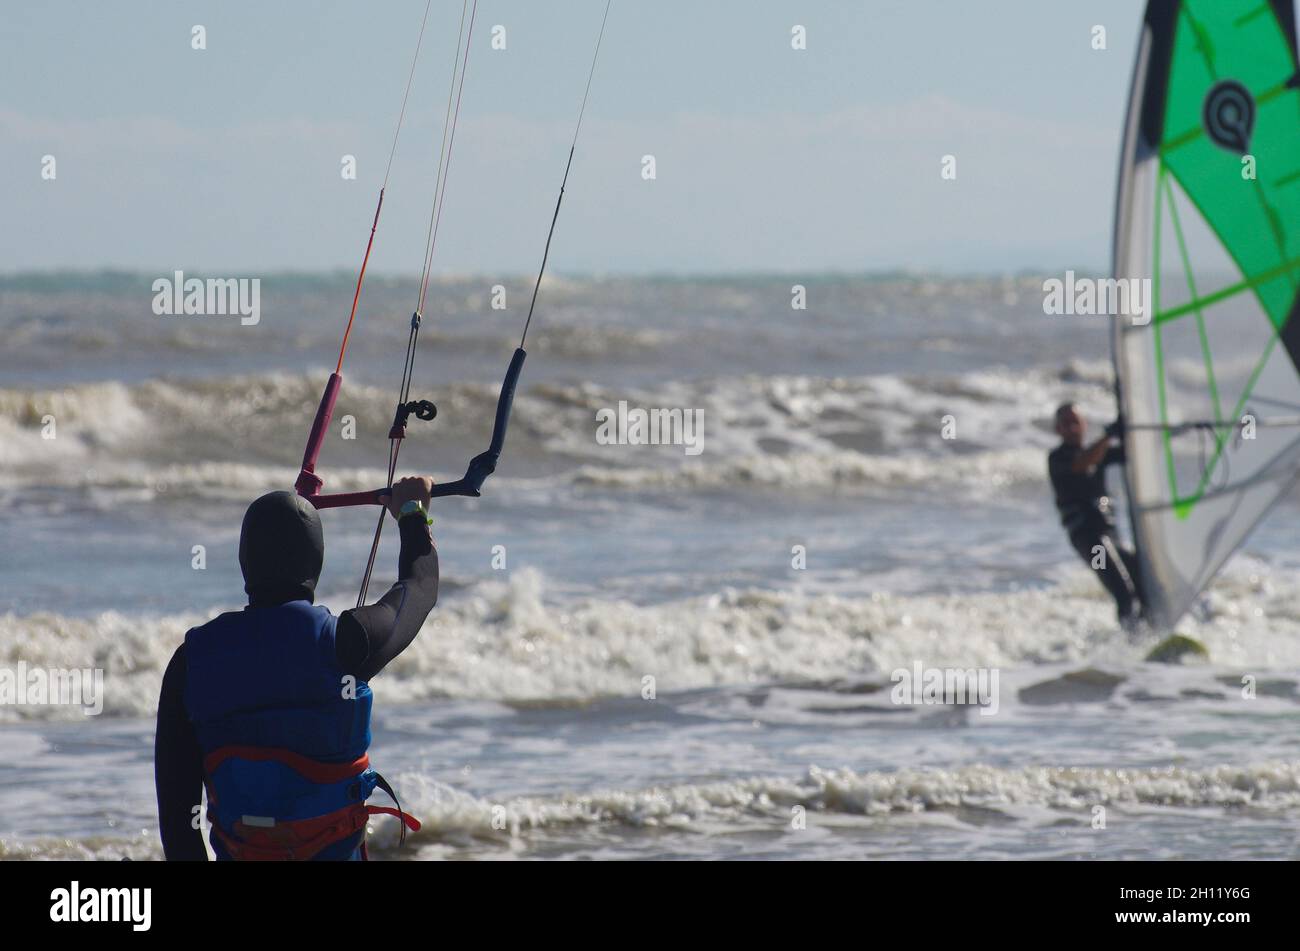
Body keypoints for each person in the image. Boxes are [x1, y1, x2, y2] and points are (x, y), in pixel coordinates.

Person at [154, 477, 438, 860]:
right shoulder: (347, 642)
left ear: (245, 562)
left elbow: (178, 825)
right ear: (316, 561)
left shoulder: (190, 663)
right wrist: (412, 511)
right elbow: (420, 588)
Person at [1047, 403, 1144, 625]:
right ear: (1058, 430)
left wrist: (1131, 431)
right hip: (1090, 543)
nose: (1072, 428)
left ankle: (1150, 628)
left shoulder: (1100, 453)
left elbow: (1130, 453)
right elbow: (1082, 463)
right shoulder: (1057, 459)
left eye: (1075, 422)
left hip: (1111, 536)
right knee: (1123, 591)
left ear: (1084, 425)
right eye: (1066, 424)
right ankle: (1131, 639)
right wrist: (1108, 436)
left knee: (1142, 580)